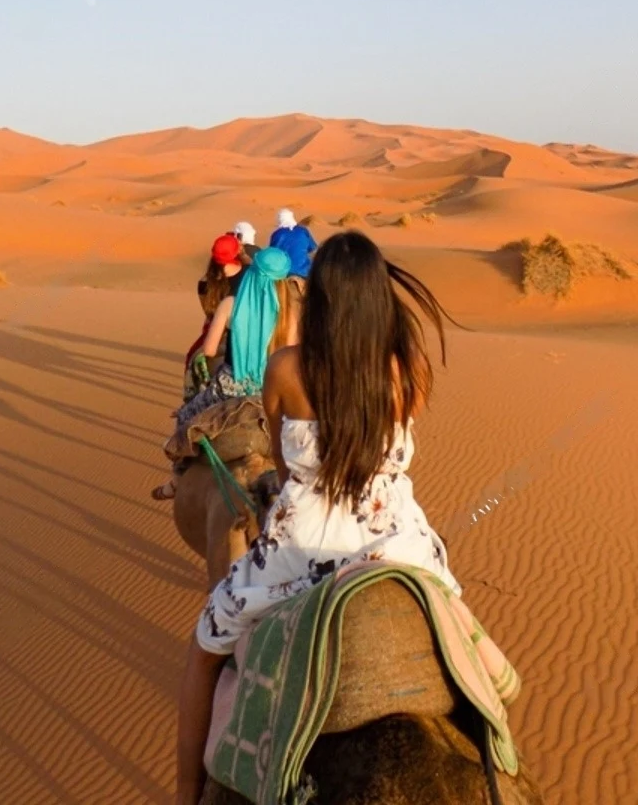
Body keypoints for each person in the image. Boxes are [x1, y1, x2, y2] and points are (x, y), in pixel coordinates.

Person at [174, 231, 459, 804]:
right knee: (465, 646)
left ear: (320, 300)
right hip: (396, 539)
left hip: (299, 546)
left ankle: (185, 794)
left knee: (205, 653)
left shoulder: (285, 369)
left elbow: (283, 465)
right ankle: (496, 748)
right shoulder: (411, 371)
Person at [154, 245, 299, 501]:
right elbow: (289, 354)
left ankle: (177, 480)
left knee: (185, 422)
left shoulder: (230, 304)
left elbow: (209, 350)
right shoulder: (289, 315)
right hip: (273, 390)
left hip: (228, 387)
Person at [185, 234, 249, 400]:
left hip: (216, 331)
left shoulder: (204, 283)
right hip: (246, 332)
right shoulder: (250, 276)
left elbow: (209, 313)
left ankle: (191, 401)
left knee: (192, 359)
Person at [267, 207, 318, 280]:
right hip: (304, 272)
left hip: (283, 273)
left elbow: (272, 254)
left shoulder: (277, 234)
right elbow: (313, 249)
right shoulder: (303, 231)